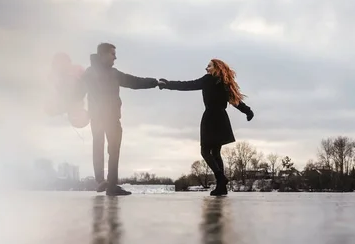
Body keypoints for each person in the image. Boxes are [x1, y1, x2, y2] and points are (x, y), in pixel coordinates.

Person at [158, 58, 254, 196]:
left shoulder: (208, 79)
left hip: (210, 117)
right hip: (222, 118)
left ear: (217, 67)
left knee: (205, 151)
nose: (206, 68)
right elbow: (236, 102)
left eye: (209, 66)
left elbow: (188, 85)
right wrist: (248, 111)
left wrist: (167, 84)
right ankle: (222, 187)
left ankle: (221, 178)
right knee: (215, 153)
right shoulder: (224, 83)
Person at [77, 43, 158, 196]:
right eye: (112, 54)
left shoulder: (112, 73)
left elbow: (133, 81)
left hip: (108, 117)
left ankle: (108, 184)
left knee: (109, 150)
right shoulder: (89, 74)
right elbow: (77, 94)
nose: (115, 57)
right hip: (101, 117)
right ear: (102, 55)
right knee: (102, 147)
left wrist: (154, 82)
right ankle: (104, 182)